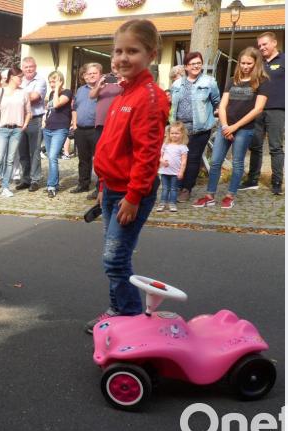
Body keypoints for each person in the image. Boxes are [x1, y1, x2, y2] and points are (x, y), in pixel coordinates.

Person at [85, 19, 170, 334]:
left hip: (130, 194)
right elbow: (113, 146)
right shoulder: (123, 91)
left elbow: (147, 156)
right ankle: (117, 309)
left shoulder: (149, 97)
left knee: (115, 260)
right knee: (113, 259)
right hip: (112, 189)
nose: (122, 57)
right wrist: (103, 185)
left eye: (132, 51)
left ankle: (132, 319)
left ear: (151, 54)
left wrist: (133, 197)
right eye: (118, 50)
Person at [191, 47, 269, 209]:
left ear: (256, 64)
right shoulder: (232, 80)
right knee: (216, 162)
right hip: (225, 127)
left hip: (244, 129)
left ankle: (230, 195)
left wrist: (234, 127)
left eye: (249, 63)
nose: (245, 66)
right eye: (243, 63)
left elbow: (257, 109)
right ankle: (210, 195)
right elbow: (223, 106)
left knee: (238, 163)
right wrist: (225, 126)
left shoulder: (261, 82)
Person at [169, 51, 221, 203]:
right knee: (177, 158)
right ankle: (177, 186)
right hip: (180, 129)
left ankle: (186, 189)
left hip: (200, 128)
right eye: (192, 64)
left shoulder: (209, 82)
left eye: (199, 63)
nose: (196, 66)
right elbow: (173, 105)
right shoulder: (177, 84)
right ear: (186, 67)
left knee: (192, 159)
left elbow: (216, 100)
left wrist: (216, 116)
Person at [242, 31, 285, 195]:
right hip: (256, 110)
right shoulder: (257, 63)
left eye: (264, 44)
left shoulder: (285, 60)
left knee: (275, 147)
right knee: (255, 146)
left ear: (274, 43)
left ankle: (277, 182)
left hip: (277, 109)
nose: (262, 48)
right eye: (259, 45)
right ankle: (252, 179)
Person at [0, 67, 31, 200]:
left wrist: (25, 124)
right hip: (2, 129)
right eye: (19, 77)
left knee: (10, 160)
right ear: (12, 78)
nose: (22, 79)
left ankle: (5, 187)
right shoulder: (1, 91)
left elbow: (29, 112)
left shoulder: (24, 93)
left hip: (17, 129)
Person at [88, 60, 124, 200]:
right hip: (100, 124)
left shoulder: (126, 78)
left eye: (118, 64)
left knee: (115, 156)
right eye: (113, 64)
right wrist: (99, 86)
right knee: (99, 157)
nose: (115, 67)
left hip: (116, 124)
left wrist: (122, 83)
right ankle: (100, 188)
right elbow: (92, 95)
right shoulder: (104, 78)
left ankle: (115, 187)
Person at [15, 57, 47, 192]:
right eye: (26, 67)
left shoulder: (40, 81)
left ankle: (35, 180)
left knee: (34, 151)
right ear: (22, 68)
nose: (28, 69)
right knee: (22, 151)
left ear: (35, 67)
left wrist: (18, 95)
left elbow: (34, 98)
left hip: (35, 119)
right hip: (20, 119)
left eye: (31, 67)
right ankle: (26, 179)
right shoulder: (19, 80)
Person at [70, 63, 101, 194]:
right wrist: (75, 126)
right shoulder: (81, 90)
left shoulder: (104, 90)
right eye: (89, 73)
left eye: (94, 73)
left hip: (96, 130)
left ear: (100, 74)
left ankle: (100, 188)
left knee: (99, 160)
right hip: (81, 130)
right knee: (83, 160)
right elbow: (75, 108)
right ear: (85, 76)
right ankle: (83, 184)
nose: (92, 75)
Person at [41, 71, 73, 198]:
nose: (51, 84)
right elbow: (50, 109)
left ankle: (51, 185)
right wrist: (44, 121)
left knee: (53, 156)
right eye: (50, 82)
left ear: (61, 81)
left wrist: (58, 89)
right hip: (48, 129)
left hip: (60, 129)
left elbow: (56, 104)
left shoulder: (67, 92)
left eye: (54, 81)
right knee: (50, 157)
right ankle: (55, 183)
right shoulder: (52, 93)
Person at [156, 121, 189, 212]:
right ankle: (162, 203)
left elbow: (184, 161)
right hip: (164, 171)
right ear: (169, 134)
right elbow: (159, 155)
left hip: (175, 172)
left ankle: (172, 203)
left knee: (174, 188)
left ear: (182, 134)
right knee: (165, 188)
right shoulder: (165, 145)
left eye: (177, 133)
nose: (174, 135)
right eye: (172, 133)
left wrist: (181, 171)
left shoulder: (183, 147)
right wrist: (162, 161)